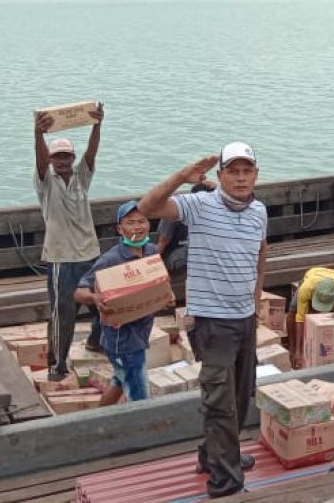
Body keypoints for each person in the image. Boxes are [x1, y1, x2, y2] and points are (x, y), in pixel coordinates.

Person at [138, 142, 267, 499]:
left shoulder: (259, 211)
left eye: (247, 171)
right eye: (233, 171)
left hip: (244, 320)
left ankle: (212, 455)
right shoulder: (198, 205)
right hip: (212, 322)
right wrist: (183, 176)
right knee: (219, 400)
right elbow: (147, 208)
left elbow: (261, 252)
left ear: (256, 175)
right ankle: (226, 481)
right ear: (220, 175)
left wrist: (256, 299)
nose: (241, 178)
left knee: (241, 399)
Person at [75, 199, 174, 405]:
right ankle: (143, 433)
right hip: (122, 340)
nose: (137, 226)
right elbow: (79, 291)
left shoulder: (152, 251)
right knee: (139, 396)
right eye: (130, 222)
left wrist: (167, 295)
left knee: (119, 380)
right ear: (120, 229)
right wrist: (95, 297)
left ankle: (98, 419)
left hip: (142, 330)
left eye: (142, 221)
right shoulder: (110, 260)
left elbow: (160, 281)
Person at [34, 104, 104, 381]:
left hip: (91, 255)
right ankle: (58, 364)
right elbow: (39, 161)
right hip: (61, 260)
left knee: (106, 305)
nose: (62, 161)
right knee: (62, 315)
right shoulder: (45, 183)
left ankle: (96, 342)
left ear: (72, 158)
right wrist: (37, 134)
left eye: (66, 156)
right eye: (57, 157)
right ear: (51, 160)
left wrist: (98, 125)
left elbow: (92, 152)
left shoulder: (81, 178)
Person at [286, 266, 334, 369]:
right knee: (292, 311)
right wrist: (298, 351)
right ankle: (291, 348)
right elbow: (300, 319)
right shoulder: (306, 288)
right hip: (312, 274)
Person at [157, 179, 218, 276]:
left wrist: (219, 188)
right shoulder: (175, 214)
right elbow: (162, 243)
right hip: (175, 256)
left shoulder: (214, 214)